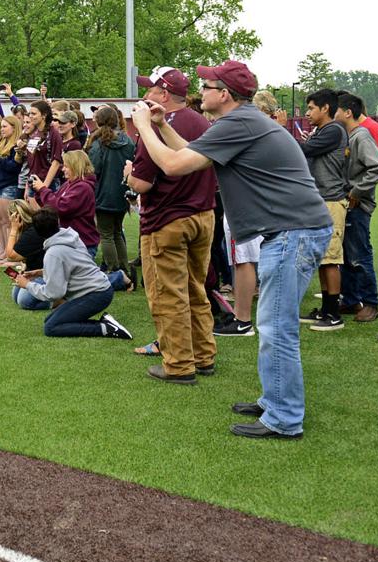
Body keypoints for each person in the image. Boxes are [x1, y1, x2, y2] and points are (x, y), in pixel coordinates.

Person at [132, 59, 332, 439]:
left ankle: (284, 418)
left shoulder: (240, 123)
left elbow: (174, 165)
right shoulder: (240, 123)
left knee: (277, 328)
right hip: (294, 230)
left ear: (224, 94)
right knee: (275, 325)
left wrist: (142, 126)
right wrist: (159, 125)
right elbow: (193, 153)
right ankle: (275, 400)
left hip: (293, 233)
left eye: (206, 87)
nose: (198, 93)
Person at [125, 65, 219, 380]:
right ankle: (203, 355)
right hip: (203, 215)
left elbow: (142, 183)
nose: (145, 94)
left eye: (149, 89)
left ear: (163, 93)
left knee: (169, 294)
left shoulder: (154, 125)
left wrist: (128, 174)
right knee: (195, 289)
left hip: (167, 219)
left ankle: (179, 364)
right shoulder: (202, 121)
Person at [12, 208, 133, 340]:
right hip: (100, 289)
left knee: (51, 328)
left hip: (95, 294)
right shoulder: (71, 236)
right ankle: (106, 323)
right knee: (50, 320)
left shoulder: (53, 253)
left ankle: (105, 328)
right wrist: (40, 273)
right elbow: (72, 266)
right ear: (57, 222)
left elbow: (54, 293)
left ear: (37, 232)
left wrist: (27, 285)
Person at [293, 88, 350, 330]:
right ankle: (326, 310)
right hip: (321, 201)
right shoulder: (324, 131)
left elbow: (304, 150)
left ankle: (334, 315)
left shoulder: (333, 130)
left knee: (331, 259)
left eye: (311, 108)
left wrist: (279, 131)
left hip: (331, 201)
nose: (307, 113)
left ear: (325, 108)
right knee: (322, 258)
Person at [335, 91, 378, 323]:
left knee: (359, 254)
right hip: (347, 203)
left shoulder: (361, 136)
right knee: (346, 254)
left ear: (347, 112)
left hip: (358, 204)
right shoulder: (349, 135)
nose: (332, 113)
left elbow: (377, 167)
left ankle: (371, 303)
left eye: (336, 109)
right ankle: (352, 300)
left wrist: (356, 191)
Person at [86, 105, 136, 285]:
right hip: (122, 193)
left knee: (106, 234)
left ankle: (113, 270)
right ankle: (124, 268)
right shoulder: (128, 140)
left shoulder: (99, 143)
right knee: (116, 232)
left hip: (104, 193)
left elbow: (94, 169)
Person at [33, 150, 100, 257]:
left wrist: (42, 190)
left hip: (82, 244)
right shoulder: (69, 184)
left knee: (78, 274)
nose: (63, 169)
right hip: (71, 242)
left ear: (76, 166)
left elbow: (60, 208)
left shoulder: (83, 187)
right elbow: (51, 206)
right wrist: (38, 192)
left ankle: (118, 274)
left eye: (66, 166)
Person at [0, 115, 23, 252]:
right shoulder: (2, 144)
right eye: (1, 126)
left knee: (8, 222)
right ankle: (2, 249)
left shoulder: (16, 146)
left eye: (5, 126)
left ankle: (10, 252)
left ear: (14, 128)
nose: (1, 129)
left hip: (8, 185)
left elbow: (15, 167)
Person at [20, 100, 63, 198]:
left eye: (34, 113)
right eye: (30, 113)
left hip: (48, 182)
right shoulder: (33, 133)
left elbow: (56, 162)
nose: (30, 116)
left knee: (46, 213)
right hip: (33, 181)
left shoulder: (53, 133)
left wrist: (44, 187)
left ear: (44, 115)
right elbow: (31, 162)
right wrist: (27, 185)